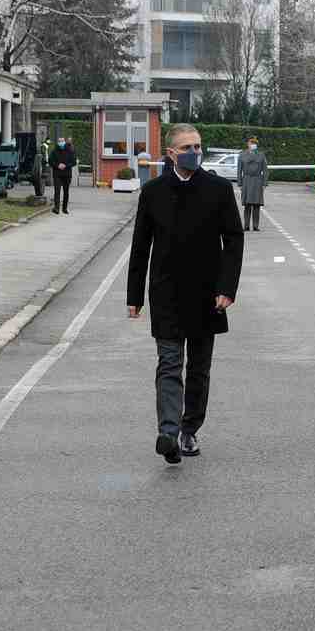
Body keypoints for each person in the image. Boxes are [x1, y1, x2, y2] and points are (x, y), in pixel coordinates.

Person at [127, 124, 244, 464]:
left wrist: (227, 288)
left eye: (198, 146)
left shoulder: (219, 189)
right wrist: (134, 296)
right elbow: (140, 246)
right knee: (169, 363)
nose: (195, 152)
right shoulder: (153, 192)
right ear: (171, 154)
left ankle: (189, 428)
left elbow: (233, 240)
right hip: (166, 292)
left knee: (198, 369)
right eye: (187, 147)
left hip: (208, 294)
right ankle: (168, 432)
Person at [237, 136, 269, 231]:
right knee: (247, 205)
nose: (253, 145)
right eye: (251, 143)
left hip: (257, 181)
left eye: (254, 143)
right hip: (246, 180)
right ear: (248, 144)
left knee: (256, 205)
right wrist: (240, 183)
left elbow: (265, 170)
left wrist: (264, 183)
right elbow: (239, 170)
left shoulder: (261, 155)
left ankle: (255, 226)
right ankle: (246, 226)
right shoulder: (242, 155)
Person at [48, 136, 77, 214]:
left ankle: (64, 208)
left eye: (62, 141)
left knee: (66, 192)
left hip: (67, 174)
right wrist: (57, 165)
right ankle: (56, 208)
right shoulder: (54, 151)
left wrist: (66, 165)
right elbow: (50, 161)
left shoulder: (70, 151)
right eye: (59, 141)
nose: (61, 143)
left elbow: (74, 162)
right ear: (58, 142)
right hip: (57, 174)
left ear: (65, 142)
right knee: (57, 191)